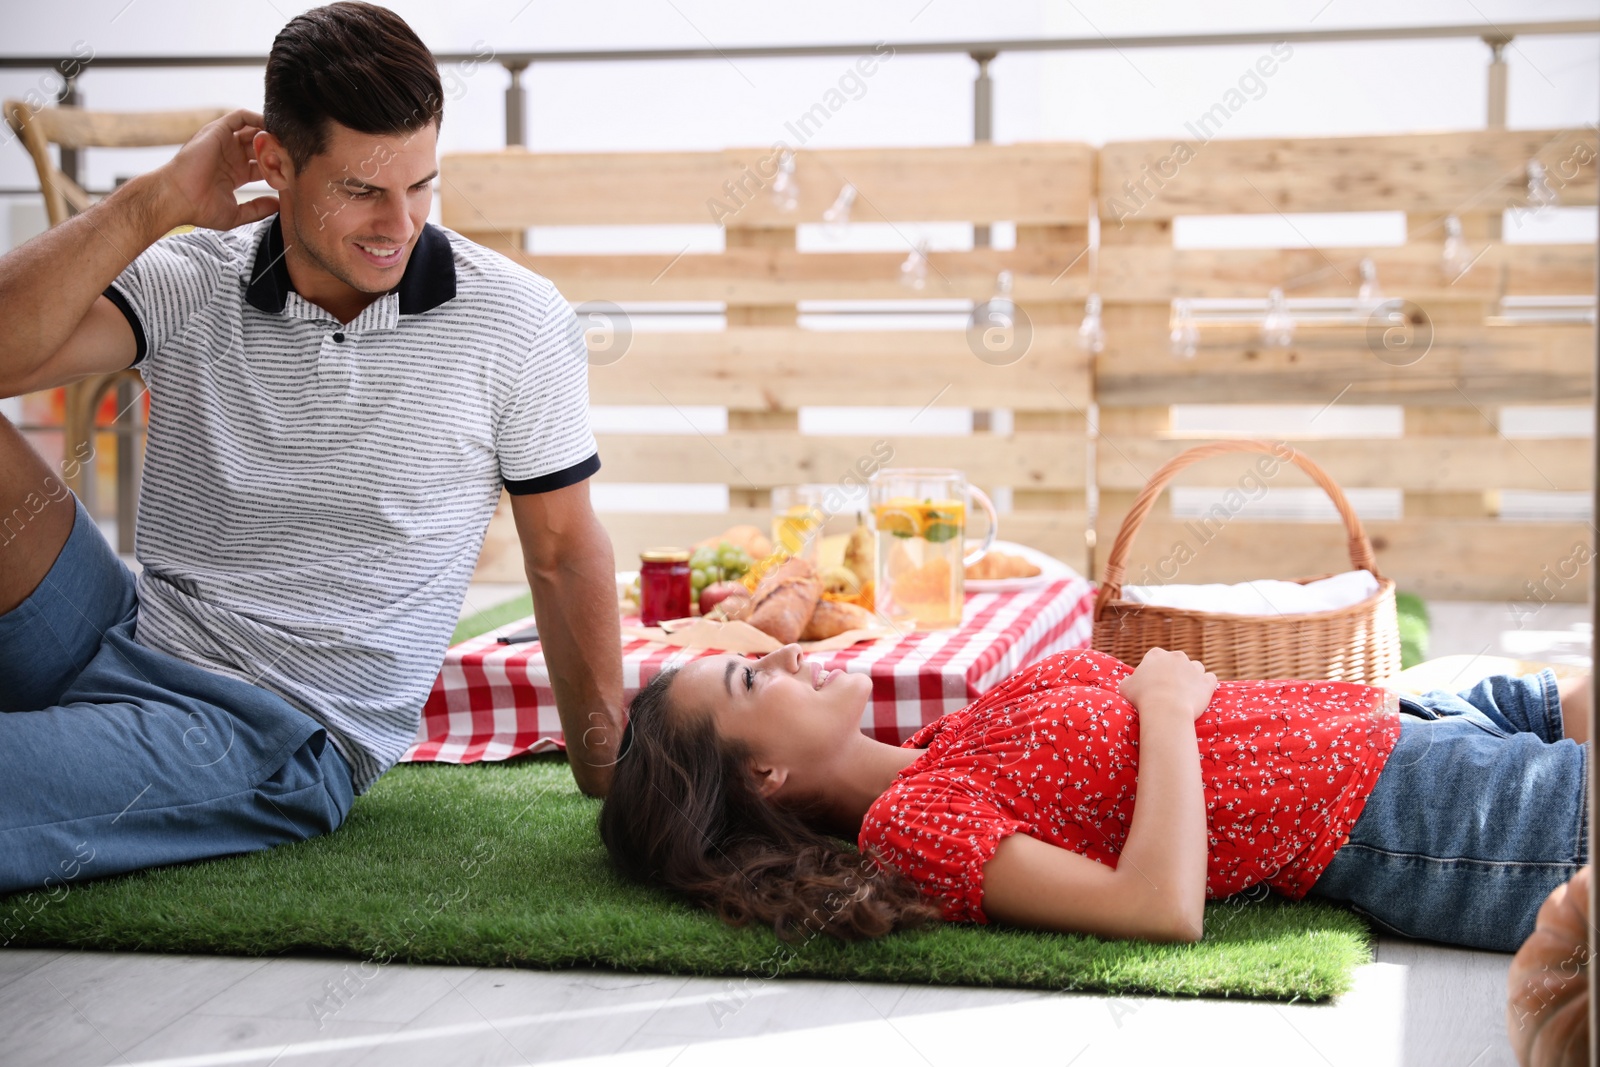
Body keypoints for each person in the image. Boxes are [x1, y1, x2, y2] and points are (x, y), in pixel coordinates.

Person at [0, 2, 623, 897]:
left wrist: (610, 772)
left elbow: (563, 551)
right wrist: (160, 199)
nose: (398, 225)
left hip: (279, 723)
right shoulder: (197, 276)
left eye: (421, 187)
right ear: (273, 165)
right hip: (125, 628)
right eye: (363, 191)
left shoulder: (516, 323)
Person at [599, 644, 1591, 953]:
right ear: (762, 775)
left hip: (1411, 712)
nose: (780, 656)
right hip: (1408, 809)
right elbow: (1157, 907)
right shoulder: (909, 822)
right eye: (747, 682)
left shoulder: (938, 748)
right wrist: (1163, 706)